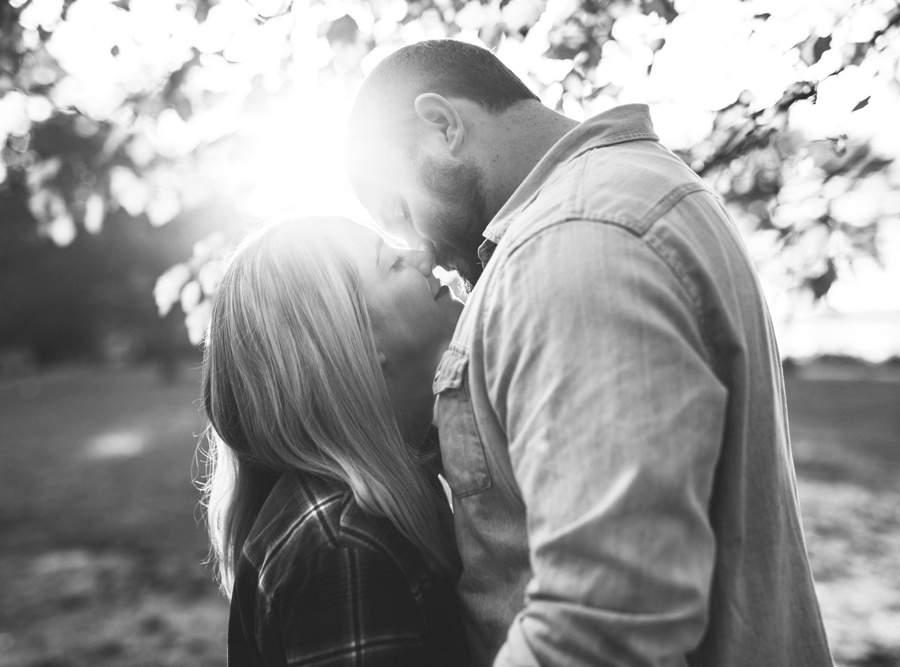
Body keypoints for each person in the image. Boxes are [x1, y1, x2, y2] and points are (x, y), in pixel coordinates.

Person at [346, 39, 834, 666]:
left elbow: (605, 621)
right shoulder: (626, 196)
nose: (422, 251)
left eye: (402, 211)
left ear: (441, 125)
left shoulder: (570, 242)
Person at [200, 216, 468, 665]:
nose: (424, 255)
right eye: (392, 263)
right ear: (355, 338)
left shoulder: (405, 480)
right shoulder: (343, 546)